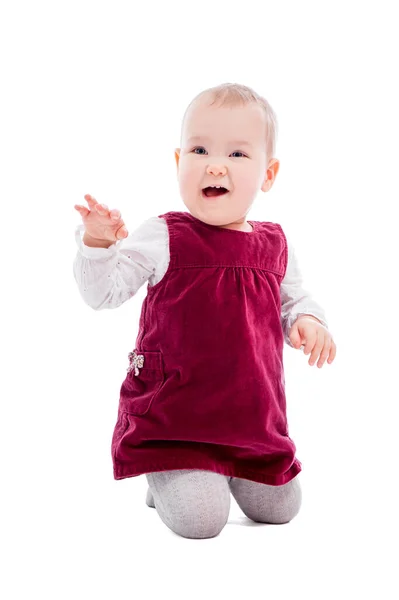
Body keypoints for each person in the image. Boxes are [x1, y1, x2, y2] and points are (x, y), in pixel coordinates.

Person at [73, 82, 337, 539]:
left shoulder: (275, 243)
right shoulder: (164, 235)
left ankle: (229, 466)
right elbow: (104, 294)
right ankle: (166, 469)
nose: (216, 164)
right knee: (202, 522)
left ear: (267, 174)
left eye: (238, 155)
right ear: (179, 163)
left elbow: (294, 299)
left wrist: (310, 321)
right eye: (199, 149)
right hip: (179, 419)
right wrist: (98, 245)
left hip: (253, 423)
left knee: (282, 508)